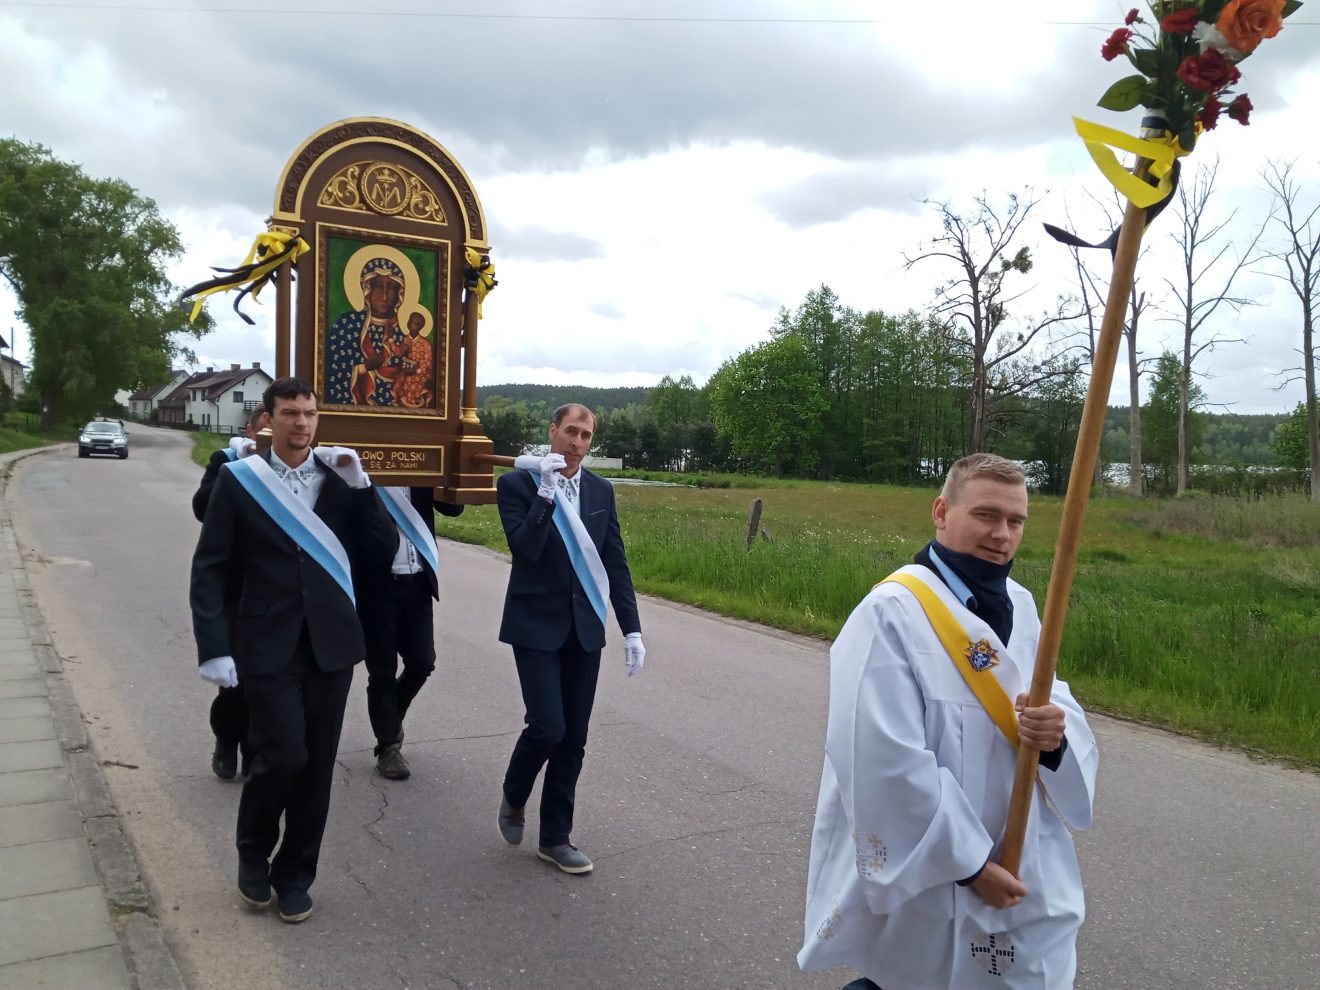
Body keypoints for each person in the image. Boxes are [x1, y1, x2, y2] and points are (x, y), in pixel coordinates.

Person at [797, 453, 1098, 990]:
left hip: (1022, 848)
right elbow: (880, 759)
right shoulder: (892, 612)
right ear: (941, 512)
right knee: (921, 976)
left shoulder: (1025, 605)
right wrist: (970, 865)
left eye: (1016, 520)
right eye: (986, 515)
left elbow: (1051, 698)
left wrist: (1054, 736)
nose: (1002, 534)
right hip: (939, 868)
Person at [190, 377, 395, 923]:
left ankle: (296, 873)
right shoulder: (241, 481)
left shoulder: (340, 480)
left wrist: (363, 486)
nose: (301, 423)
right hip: (266, 642)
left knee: (317, 768)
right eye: (290, 413)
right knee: (281, 755)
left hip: (331, 645)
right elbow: (210, 567)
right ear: (269, 419)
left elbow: (382, 551)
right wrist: (214, 646)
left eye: (309, 413)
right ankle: (253, 854)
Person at [495, 403, 646, 875]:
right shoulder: (517, 485)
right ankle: (514, 794)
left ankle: (555, 838)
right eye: (570, 432)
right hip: (534, 624)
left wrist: (632, 628)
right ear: (553, 431)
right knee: (547, 727)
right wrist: (545, 494)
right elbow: (526, 549)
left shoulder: (601, 490)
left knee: (573, 738)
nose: (577, 443)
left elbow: (614, 561)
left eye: (586, 435)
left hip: (585, 628)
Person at [359, 485, 463, 780]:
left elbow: (453, 508)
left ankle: (390, 717)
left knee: (422, 662)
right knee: (382, 670)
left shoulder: (423, 471)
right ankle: (388, 746)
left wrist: (443, 474)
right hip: (376, 586)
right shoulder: (364, 472)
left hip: (417, 584)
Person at [191, 405, 270, 781]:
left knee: (264, 681)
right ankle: (226, 739)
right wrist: (238, 465)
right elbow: (201, 508)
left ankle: (255, 749)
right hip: (235, 589)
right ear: (249, 432)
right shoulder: (226, 461)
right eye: (262, 429)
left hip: (272, 590)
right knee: (235, 684)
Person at [325, 256, 408, 407]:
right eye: (377, 286)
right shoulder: (347, 324)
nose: (384, 296)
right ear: (367, 289)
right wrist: (364, 367)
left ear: (399, 293)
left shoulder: (403, 333)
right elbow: (331, 372)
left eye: (391, 288)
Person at [391, 312, 435, 408]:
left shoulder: (425, 344)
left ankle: (413, 405)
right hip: (404, 370)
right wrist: (391, 341)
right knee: (398, 379)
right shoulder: (403, 339)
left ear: (421, 327)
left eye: (416, 323)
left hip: (419, 373)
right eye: (411, 321)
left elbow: (428, 363)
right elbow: (397, 353)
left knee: (411, 380)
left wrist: (416, 370)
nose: (412, 325)